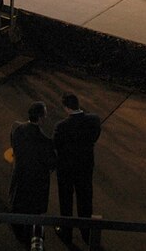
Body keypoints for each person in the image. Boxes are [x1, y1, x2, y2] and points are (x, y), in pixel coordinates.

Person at [53, 92, 102, 243]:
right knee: (85, 199)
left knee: (66, 200)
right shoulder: (94, 120)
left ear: (66, 108)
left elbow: (56, 145)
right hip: (85, 166)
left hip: (66, 169)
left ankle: (66, 231)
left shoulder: (61, 127)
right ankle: (86, 233)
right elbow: (95, 136)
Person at [9, 101, 56, 243]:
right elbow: (52, 163)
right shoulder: (45, 142)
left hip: (20, 175)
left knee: (18, 205)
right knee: (34, 212)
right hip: (37, 181)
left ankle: (18, 232)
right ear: (40, 118)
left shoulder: (17, 128)